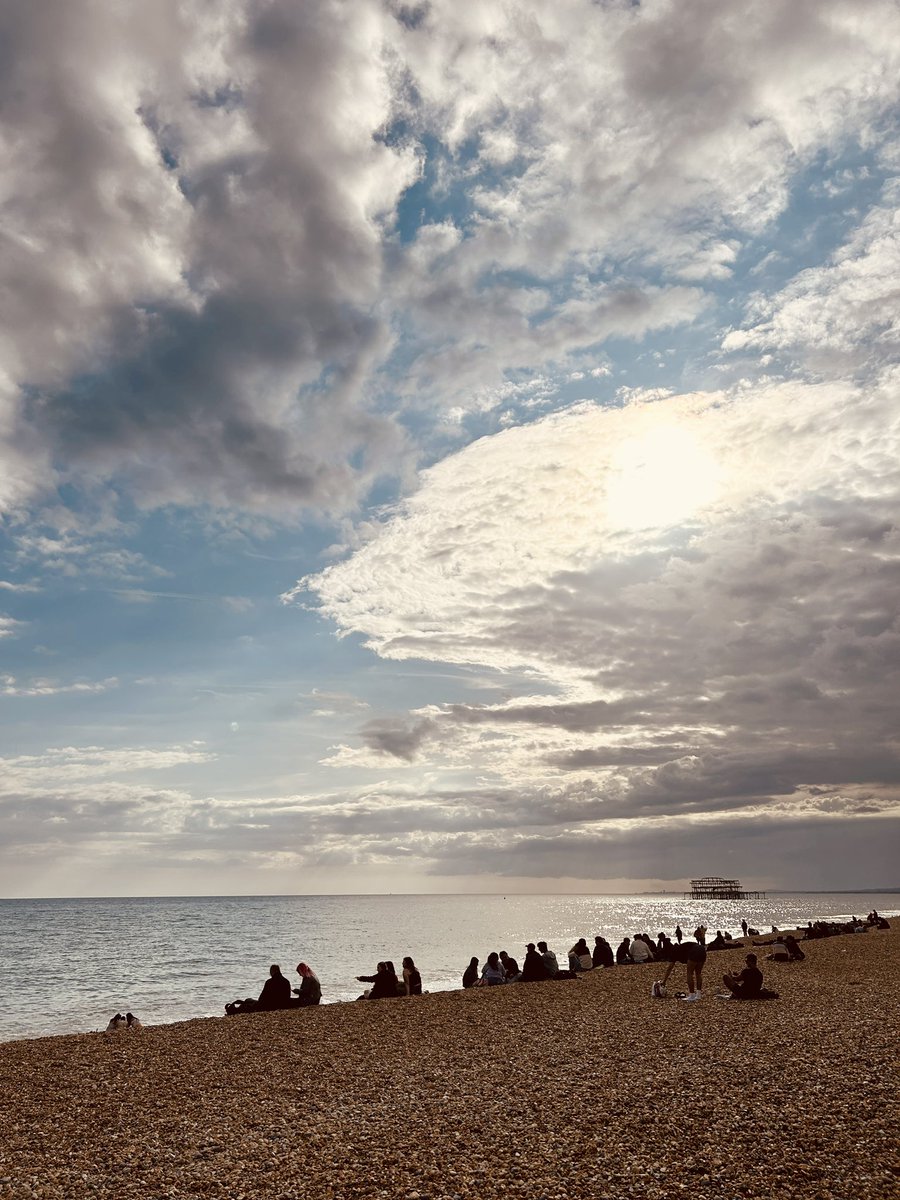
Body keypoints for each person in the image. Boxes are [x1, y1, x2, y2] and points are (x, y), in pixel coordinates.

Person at [227, 964, 293, 1014]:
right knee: (249, 1000)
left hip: (269, 1006)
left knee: (248, 1001)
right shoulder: (286, 982)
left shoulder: (269, 982)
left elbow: (262, 997)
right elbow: (288, 996)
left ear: (272, 972)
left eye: (270, 972)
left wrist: (259, 1003)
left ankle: (234, 1010)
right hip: (283, 1005)